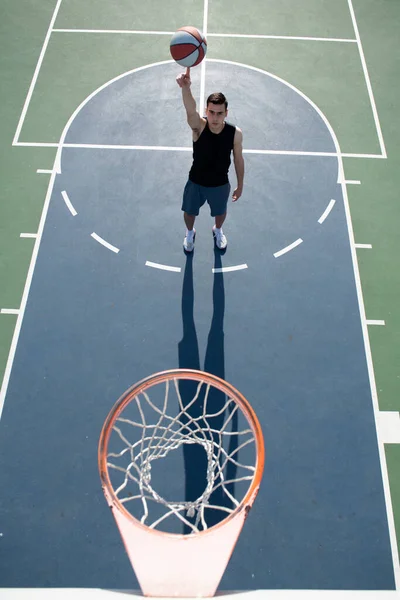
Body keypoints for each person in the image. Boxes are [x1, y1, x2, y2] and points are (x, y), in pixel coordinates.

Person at [176, 67, 244, 252]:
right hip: (196, 181)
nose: (215, 117)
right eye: (212, 112)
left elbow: (238, 159)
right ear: (206, 110)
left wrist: (240, 184)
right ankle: (190, 233)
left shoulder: (235, 134)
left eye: (219, 113)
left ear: (226, 113)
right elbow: (190, 110)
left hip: (220, 183)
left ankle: (218, 229)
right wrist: (185, 88)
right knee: (189, 213)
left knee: (220, 212)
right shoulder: (199, 126)